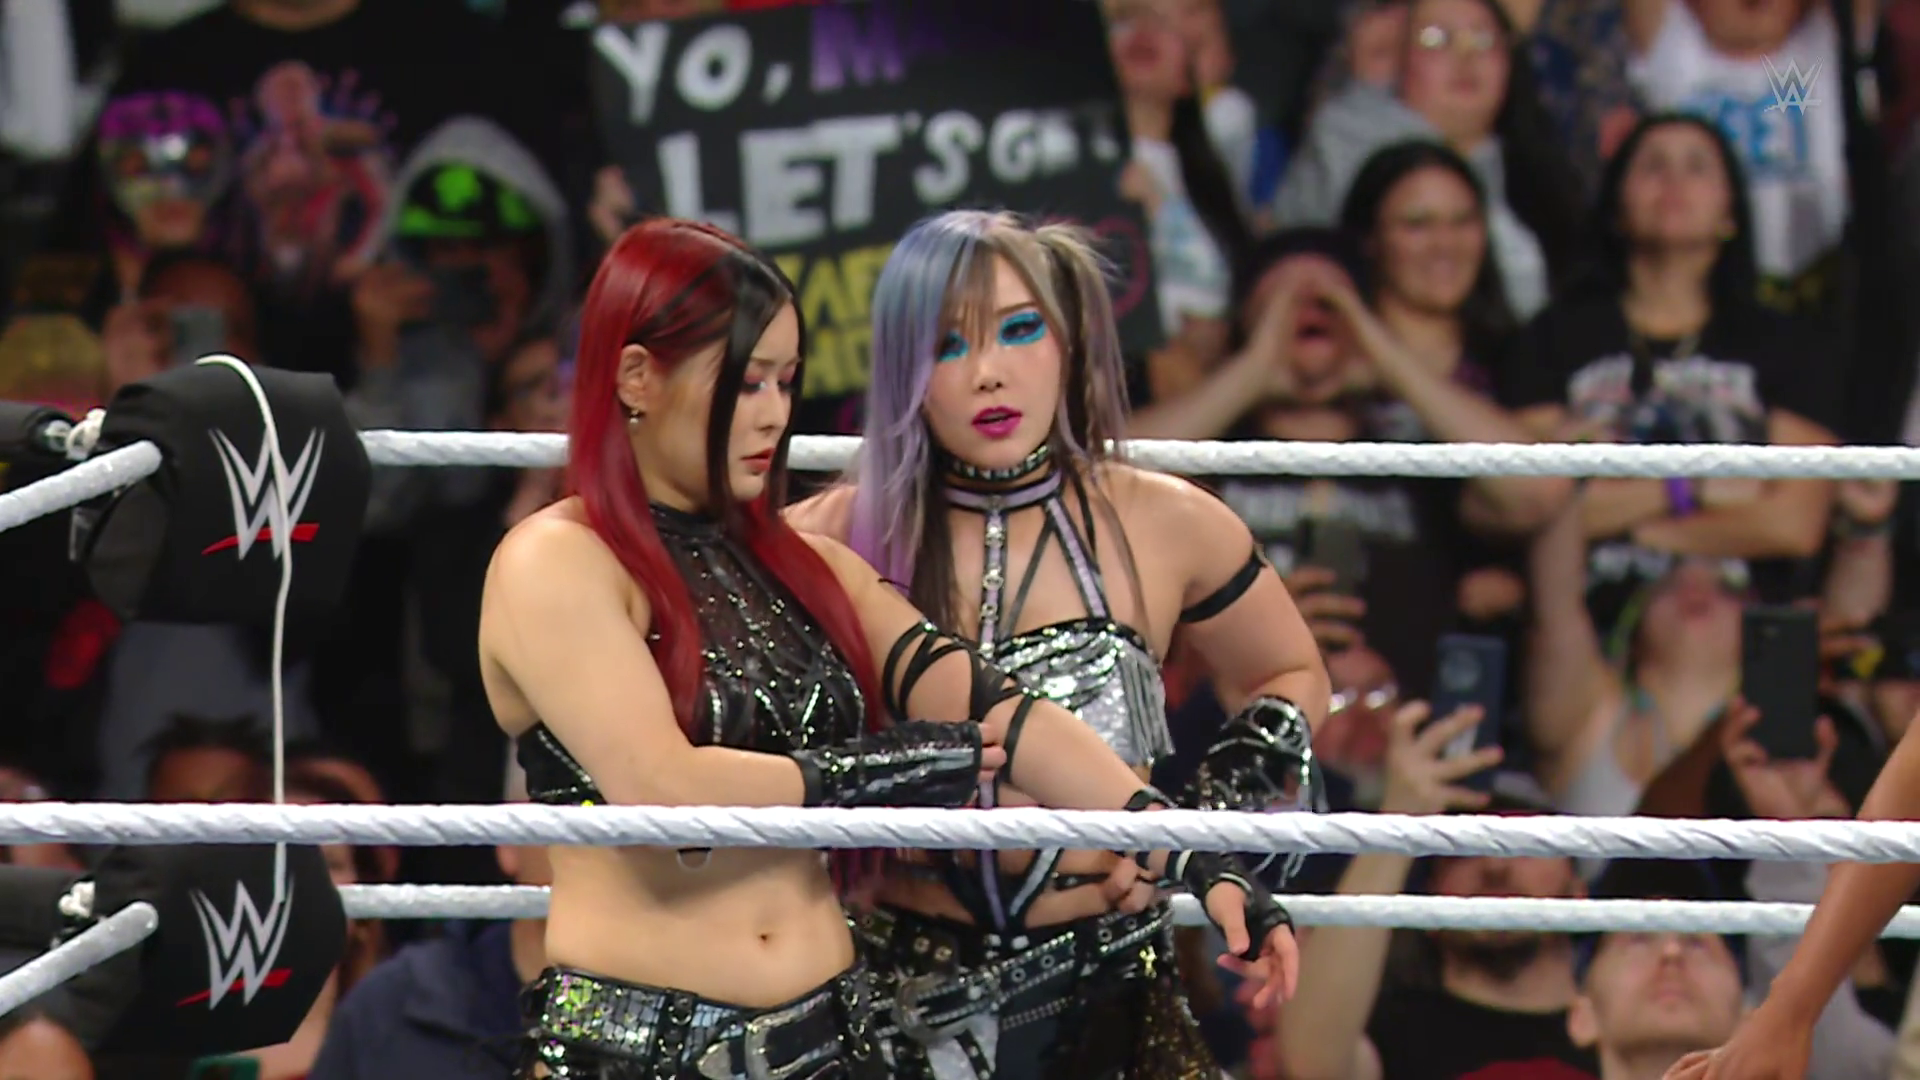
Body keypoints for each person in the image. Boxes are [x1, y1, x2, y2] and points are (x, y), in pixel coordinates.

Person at [478, 217, 1301, 1078]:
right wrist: (881, 771)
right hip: (639, 1051)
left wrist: (1192, 854)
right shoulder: (557, 560)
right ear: (637, 377)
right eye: (746, 382)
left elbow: (1003, 715)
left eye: (785, 382)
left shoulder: (806, 565)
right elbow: (661, 788)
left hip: (835, 1040)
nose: (773, 414)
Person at [786, 209, 1329, 1078]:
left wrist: (1197, 827)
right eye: (948, 345)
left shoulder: (1165, 520)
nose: (989, 373)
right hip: (890, 990)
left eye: (1019, 329)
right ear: (900, 368)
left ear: (1068, 341)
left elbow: (1293, 672)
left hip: (1108, 985)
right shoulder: (819, 543)